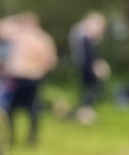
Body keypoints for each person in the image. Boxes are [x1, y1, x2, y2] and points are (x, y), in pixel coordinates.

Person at [0, 12, 58, 147]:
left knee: (13, 108)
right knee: (31, 107)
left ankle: (14, 138)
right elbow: (51, 62)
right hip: (32, 77)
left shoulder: (18, 36)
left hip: (19, 76)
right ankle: (29, 139)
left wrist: (15, 20)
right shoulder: (43, 38)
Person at [68, 11, 109, 123]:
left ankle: (83, 112)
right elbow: (87, 55)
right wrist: (95, 67)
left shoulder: (86, 37)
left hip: (87, 65)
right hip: (86, 66)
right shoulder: (83, 37)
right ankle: (83, 114)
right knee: (91, 90)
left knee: (92, 90)